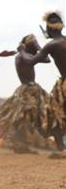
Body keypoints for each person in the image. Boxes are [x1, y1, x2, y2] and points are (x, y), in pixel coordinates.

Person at [0, 35, 50, 154]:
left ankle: (27, 143)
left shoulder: (30, 56)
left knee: (38, 116)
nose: (35, 47)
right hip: (26, 90)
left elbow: (47, 59)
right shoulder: (21, 56)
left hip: (34, 89)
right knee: (23, 118)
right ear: (27, 46)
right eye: (33, 44)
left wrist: (38, 46)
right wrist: (22, 49)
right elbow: (29, 60)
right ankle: (20, 144)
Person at [26, 12, 65, 157]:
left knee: (52, 116)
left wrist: (24, 50)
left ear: (49, 29)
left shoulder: (52, 45)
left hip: (64, 84)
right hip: (63, 84)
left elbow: (31, 62)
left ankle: (61, 149)